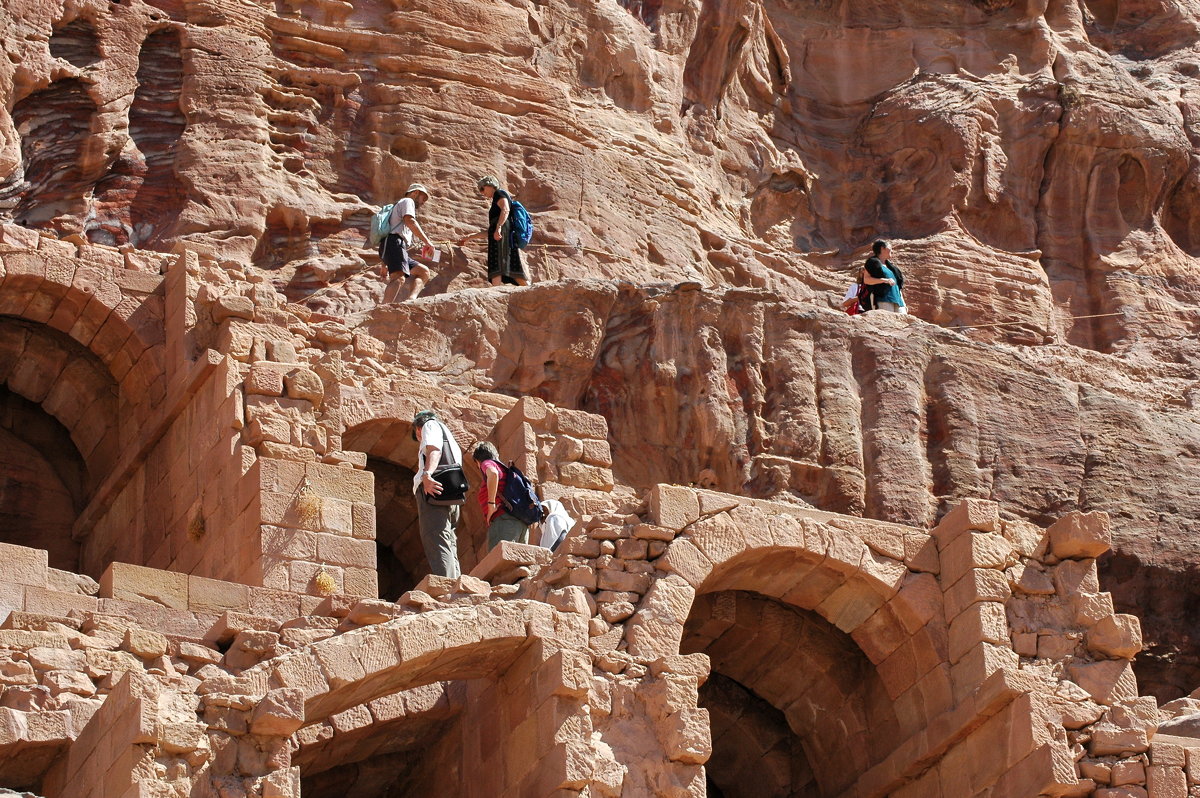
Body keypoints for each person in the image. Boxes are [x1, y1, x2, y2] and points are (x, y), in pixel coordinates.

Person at [412, 409, 463, 577]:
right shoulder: (450, 436)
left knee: (435, 536)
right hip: (452, 492)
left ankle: (447, 587)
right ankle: (455, 583)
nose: (419, 439)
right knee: (449, 540)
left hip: (435, 489)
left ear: (418, 429)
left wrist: (427, 475)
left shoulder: (430, 425)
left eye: (417, 435)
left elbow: (434, 450)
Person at [457, 176, 528, 286]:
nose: (481, 192)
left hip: (501, 237)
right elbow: (490, 231)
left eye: (482, 188)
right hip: (502, 236)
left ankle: (496, 290)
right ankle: (529, 290)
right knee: (513, 270)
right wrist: (469, 237)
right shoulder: (496, 199)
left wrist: (499, 227)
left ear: (490, 185)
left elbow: (506, 209)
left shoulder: (499, 194)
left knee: (497, 266)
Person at [379, 183, 437, 304]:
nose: (423, 202)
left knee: (423, 272)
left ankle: (411, 301)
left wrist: (384, 264)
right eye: (423, 198)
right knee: (398, 277)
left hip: (395, 245)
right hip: (394, 242)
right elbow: (410, 221)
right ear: (415, 193)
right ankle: (382, 309)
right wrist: (427, 242)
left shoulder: (400, 205)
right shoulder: (407, 201)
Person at [471, 442, 530, 549]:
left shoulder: (487, 463)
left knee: (499, 564)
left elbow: (493, 474)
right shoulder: (506, 471)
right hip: (521, 525)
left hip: (504, 521)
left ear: (478, 460)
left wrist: (491, 505)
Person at [862, 239, 907, 313]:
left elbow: (897, 285)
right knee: (888, 322)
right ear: (882, 248)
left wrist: (903, 301)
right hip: (883, 298)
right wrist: (884, 280)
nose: (892, 249)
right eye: (890, 247)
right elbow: (866, 280)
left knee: (902, 321)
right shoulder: (872, 262)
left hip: (897, 299)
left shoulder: (891, 267)